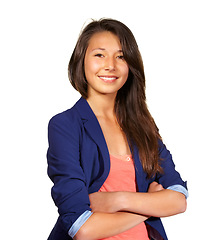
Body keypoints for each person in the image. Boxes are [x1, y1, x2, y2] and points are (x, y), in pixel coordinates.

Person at [47, 18, 188, 240]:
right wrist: (147, 207)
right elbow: (81, 228)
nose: (110, 65)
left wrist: (119, 200)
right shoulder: (65, 125)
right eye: (99, 54)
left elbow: (179, 198)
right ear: (81, 60)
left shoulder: (142, 125)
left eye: (120, 56)